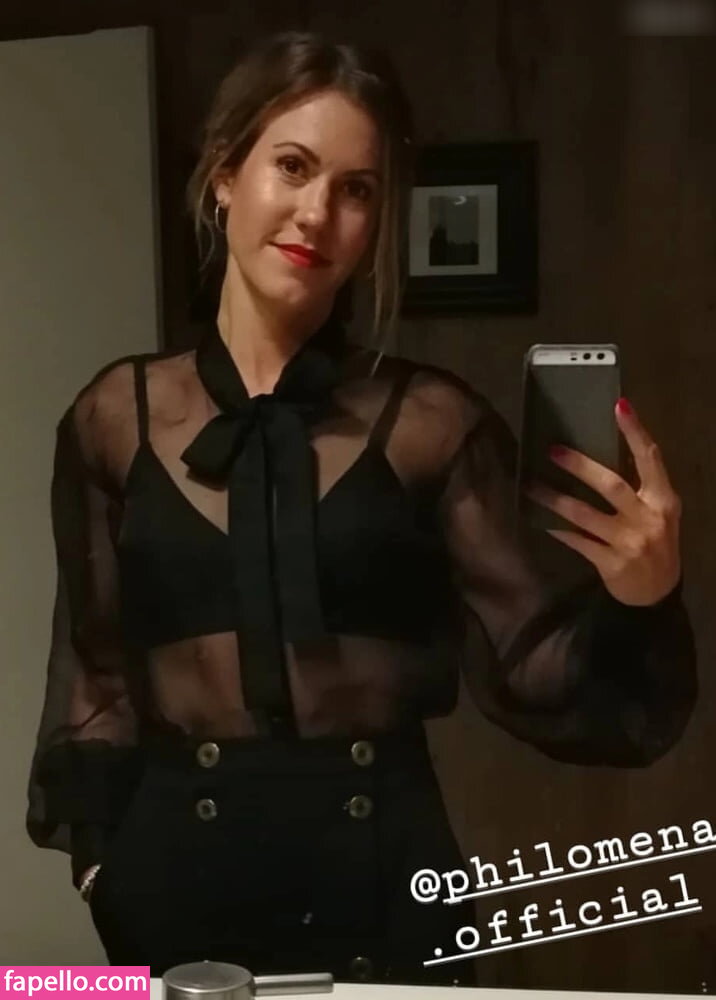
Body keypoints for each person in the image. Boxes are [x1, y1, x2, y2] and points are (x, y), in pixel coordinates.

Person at [26, 31, 696, 987]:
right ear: (225, 176)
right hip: (173, 900)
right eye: (293, 167)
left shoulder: (435, 424)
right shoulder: (112, 418)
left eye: (357, 189)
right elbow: (94, 677)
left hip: (384, 887)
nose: (318, 213)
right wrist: (104, 870)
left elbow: (533, 664)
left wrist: (645, 598)